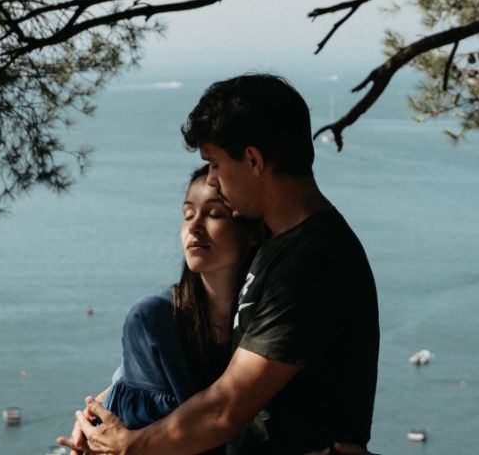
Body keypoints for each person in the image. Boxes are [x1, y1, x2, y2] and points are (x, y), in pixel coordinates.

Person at [66, 74, 380, 455]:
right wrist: (108, 403)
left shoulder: (311, 262)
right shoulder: (277, 245)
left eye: (214, 163)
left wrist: (131, 445)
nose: (212, 179)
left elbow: (227, 409)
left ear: (253, 160)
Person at [59, 166, 264, 452]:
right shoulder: (154, 319)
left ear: (252, 232)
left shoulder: (270, 316)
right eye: (188, 213)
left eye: (214, 213)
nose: (194, 226)